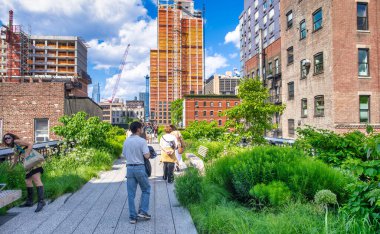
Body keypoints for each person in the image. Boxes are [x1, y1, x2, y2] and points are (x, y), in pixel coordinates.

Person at [2, 133, 46, 212]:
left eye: (8, 138)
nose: (7, 139)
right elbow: (15, 161)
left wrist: (27, 153)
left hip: (33, 163)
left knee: (37, 180)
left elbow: (30, 144)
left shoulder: (16, 141)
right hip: (28, 165)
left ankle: (41, 202)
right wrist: (9, 169)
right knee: (28, 181)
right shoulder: (14, 147)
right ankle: (30, 202)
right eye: (5, 139)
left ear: (12, 138)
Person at [122, 122, 151, 224]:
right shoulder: (142, 141)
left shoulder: (126, 141)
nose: (142, 129)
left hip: (129, 168)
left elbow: (124, 155)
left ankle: (132, 217)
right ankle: (143, 211)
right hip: (140, 168)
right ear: (138, 129)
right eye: (142, 128)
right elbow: (147, 156)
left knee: (131, 194)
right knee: (146, 189)